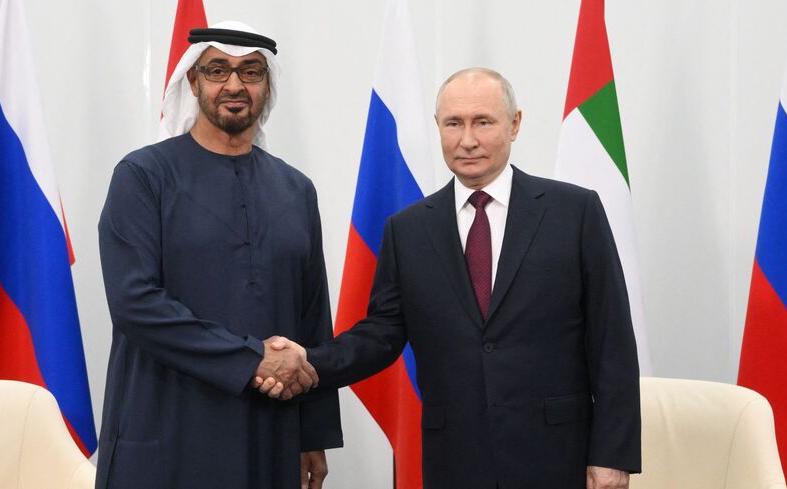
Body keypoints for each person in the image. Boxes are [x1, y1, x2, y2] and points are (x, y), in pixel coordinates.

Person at [258, 68, 641, 489]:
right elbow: (379, 336)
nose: (468, 140)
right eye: (454, 123)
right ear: (438, 127)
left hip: (558, 457)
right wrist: (308, 361)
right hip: (456, 460)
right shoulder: (407, 230)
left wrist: (611, 456)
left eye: (483, 121)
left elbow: (612, 342)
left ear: (514, 124)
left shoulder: (575, 212)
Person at [96, 21, 342, 489]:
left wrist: (314, 431)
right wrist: (253, 359)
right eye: (217, 71)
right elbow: (135, 303)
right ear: (193, 81)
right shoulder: (143, 176)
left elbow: (312, 318)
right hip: (166, 426)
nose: (234, 85)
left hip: (269, 429)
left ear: (267, 85)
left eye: (250, 72)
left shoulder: (295, 189)